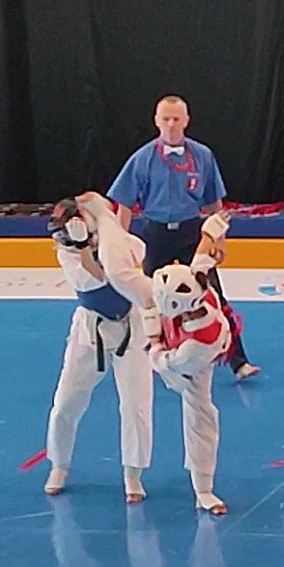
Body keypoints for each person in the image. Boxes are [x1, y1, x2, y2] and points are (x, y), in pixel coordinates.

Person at [76, 191, 235, 515]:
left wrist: (154, 338)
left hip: (180, 364)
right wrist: (216, 226)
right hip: (172, 328)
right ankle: (104, 216)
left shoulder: (195, 349)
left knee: (200, 413)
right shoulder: (194, 281)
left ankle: (203, 489)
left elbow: (161, 360)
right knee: (120, 275)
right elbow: (203, 252)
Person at [107, 94, 259, 380]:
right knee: (151, 299)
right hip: (156, 233)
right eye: (166, 119)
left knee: (212, 294)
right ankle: (155, 356)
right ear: (156, 121)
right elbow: (124, 204)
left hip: (192, 233)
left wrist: (219, 240)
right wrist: (120, 244)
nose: (171, 124)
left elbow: (214, 203)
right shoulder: (142, 158)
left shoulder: (202, 155)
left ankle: (238, 361)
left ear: (186, 121)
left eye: (176, 119)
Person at [43, 198, 153, 503]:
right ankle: (59, 464)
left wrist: (103, 231)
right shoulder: (67, 253)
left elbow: (131, 260)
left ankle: (133, 473)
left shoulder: (115, 240)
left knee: (136, 404)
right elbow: (97, 279)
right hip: (90, 331)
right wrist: (82, 248)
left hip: (131, 327)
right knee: (66, 402)